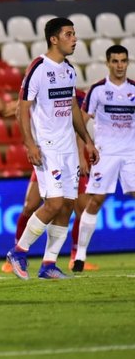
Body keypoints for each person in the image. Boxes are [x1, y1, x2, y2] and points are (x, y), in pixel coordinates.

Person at [5, 17, 99, 280]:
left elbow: (72, 109)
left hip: (69, 146)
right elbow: (22, 109)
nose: (75, 39)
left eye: (74, 34)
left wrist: (87, 142)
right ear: (53, 39)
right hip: (47, 147)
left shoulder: (69, 69)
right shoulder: (37, 68)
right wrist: (29, 143)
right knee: (54, 203)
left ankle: (48, 264)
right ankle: (19, 251)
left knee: (68, 204)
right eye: (69, 34)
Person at [0, 79, 98, 272]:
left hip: (71, 159)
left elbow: (81, 125)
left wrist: (82, 155)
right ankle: (16, 256)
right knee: (31, 206)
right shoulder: (35, 96)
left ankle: (74, 258)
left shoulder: (79, 97)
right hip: (48, 159)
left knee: (81, 209)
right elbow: (4, 110)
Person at [72, 45, 135, 272]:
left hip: (131, 154)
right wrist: (83, 153)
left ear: (128, 63)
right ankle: (79, 256)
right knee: (95, 201)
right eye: (115, 61)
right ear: (107, 63)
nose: (120, 65)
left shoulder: (134, 90)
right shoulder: (97, 90)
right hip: (105, 153)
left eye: (123, 61)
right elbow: (81, 121)